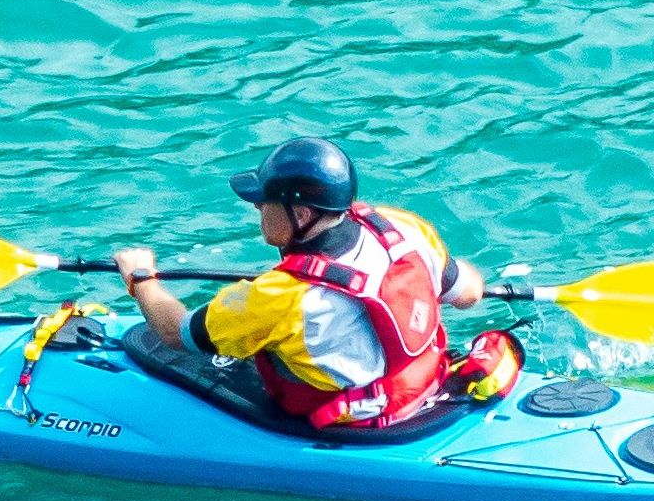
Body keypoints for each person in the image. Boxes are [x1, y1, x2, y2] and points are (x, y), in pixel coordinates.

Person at [112, 134, 499, 432]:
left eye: (265, 201)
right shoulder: (404, 228)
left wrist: (143, 279)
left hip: (354, 418)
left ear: (300, 213)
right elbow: (469, 293)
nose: (257, 207)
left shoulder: (280, 296)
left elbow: (176, 334)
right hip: (425, 387)